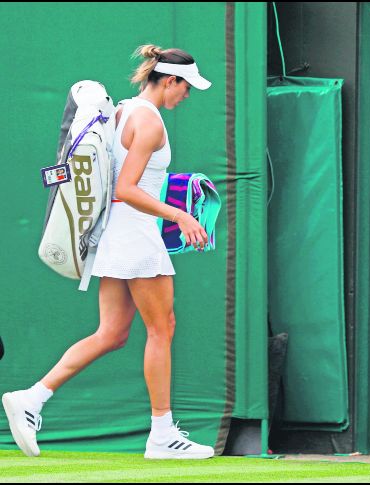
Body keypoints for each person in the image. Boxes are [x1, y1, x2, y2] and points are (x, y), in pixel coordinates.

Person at [2, 45, 214, 460]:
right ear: (170, 81)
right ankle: (162, 434)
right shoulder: (150, 123)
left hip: (115, 234)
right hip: (135, 233)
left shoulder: (123, 111)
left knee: (112, 333)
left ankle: (31, 398)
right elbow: (127, 189)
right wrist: (181, 217)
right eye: (186, 88)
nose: (187, 96)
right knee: (161, 328)